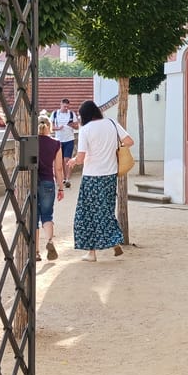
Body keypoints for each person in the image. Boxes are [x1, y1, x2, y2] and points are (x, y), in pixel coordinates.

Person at [66, 100, 134, 262]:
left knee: (87, 214)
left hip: (92, 176)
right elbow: (129, 141)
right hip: (110, 175)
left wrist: (72, 161)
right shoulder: (111, 123)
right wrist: (113, 148)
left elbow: (81, 158)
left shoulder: (86, 130)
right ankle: (114, 239)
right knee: (106, 210)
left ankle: (92, 253)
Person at [35, 115, 65, 261]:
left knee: (33, 218)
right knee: (47, 215)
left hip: (32, 183)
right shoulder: (56, 143)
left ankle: (35, 251)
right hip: (47, 182)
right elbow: (58, 168)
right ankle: (50, 242)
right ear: (50, 126)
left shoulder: (30, 142)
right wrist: (61, 188)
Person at [51, 99, 78, 188]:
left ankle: (67, 179)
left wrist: (72, 125)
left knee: (67, 159)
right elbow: (51, 127)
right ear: (61, 105)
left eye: (67, 106)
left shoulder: (71, 114)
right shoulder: (55, 114)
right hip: (58, 140)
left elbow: (77, 126)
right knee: (59, 160)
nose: (66, 108)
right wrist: (58, 128)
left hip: (69, 139)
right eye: (64, 106)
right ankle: (61, 178)